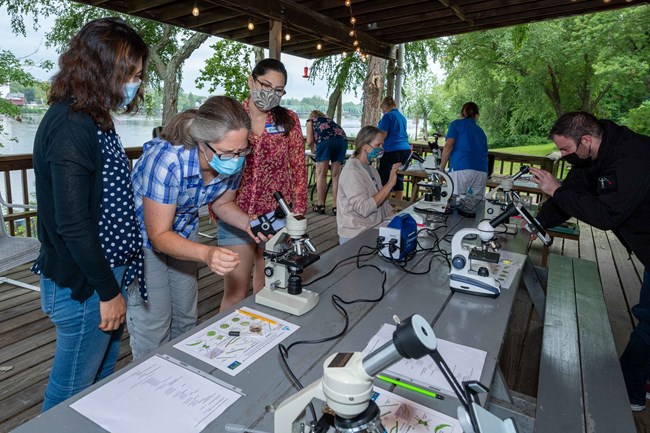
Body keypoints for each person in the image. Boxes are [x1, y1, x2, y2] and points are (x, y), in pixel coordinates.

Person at [31, 18, 148, 411]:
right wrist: (108, 291)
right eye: (130, 74)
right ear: (101, 69)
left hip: (102, 276)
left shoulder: (94, 116)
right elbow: (72, 224)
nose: (136, 83)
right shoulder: (71, 124)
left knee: (98, 383)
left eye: (139, 74)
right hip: (86, 285)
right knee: (70, 392)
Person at [529, 111, 650, 412]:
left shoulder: (631, 158)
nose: (563, 156)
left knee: (649, 323)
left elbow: (605, 216)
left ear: (585, 140)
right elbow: (571, 195)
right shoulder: (591, 156)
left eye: (566, 150)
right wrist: (537, 222)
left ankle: (630, 390)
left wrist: (555, 188)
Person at [128, 96, 265, 359]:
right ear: (202, 144)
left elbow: (224, 203)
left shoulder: (233, 152)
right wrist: (206, 254)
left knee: (186, 316)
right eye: (227, 153)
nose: (236, 160)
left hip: (184, 230)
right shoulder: (167, 160)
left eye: (242, 151)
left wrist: (250, 224)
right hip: (146, 238)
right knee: (154, 322)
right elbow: (159, 235)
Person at [217, 58, 307, 310]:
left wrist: (297, 213)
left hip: (277, 216)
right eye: (266, 85)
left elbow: (299, 168)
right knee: (235, 293)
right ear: (251, 80)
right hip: (235, 214)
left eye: (278, 90)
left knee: (268, 288)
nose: (270, 94)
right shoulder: (233, 116)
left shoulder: (288, 120)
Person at [336, 126, 400, 244]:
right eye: (378, 145)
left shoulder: (371, 168)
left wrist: (397, 220)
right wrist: (390, 184)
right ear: (364, 146)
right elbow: (364, 208)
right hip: (354, 235)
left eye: (382, 145)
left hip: (372, 229)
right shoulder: (352, 171)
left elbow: (382, 202)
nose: (382, 149)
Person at [439, 102, 489, 198]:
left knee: (454, 201)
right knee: (475, 206)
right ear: (477, 116)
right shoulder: (481, 131)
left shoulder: (456, 124)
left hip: (461, 168)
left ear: (462, 113)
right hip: (481, 172)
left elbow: (448, 146)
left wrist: (441, 169)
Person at [306, 110, 348, 215]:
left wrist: (313, 151)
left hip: (325, 141)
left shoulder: (311, 121)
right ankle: (336, 207)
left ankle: (321, 205)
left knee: (321, 174)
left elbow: (310, 141)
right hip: (342, 140)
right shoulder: (330, 121)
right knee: (336, 175)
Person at [378, 96, 412, 201]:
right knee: (398, 178)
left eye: (382, 108)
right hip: (405, 150)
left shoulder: (387, 117)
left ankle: (385, 205)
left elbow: (382, 135)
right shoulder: (402, 117)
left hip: (391, 151)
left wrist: (378, 147)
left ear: (386, 106)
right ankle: (398, 204)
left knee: (385, 178)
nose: (382, 111)